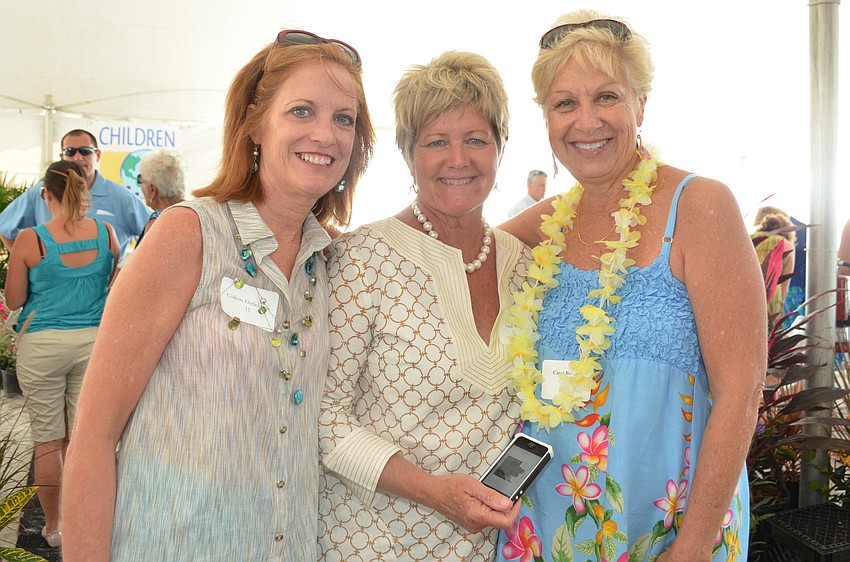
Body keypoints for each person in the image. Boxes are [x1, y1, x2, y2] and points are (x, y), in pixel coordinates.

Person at [60, 29, 374, 561]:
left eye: (344, 118)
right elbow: (92, 437)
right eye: (302, 111)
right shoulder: (189, 235)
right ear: (254, 122)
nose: (325, 133)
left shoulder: (333, 261)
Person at [494, 11, 766, 562]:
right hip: (546, 529)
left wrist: (690, 547)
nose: (586, 121)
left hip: (669, 530)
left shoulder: (700, 207)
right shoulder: (535, 231)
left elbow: (741, 390)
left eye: (607, 97)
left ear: (641, 103)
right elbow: (443, 250)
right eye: (564, 103)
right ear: (545, 117)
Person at [318, 50, 531, 561]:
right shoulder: (363, 258)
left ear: (501, 148)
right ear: (409, 154)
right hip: (372, 542)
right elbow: (323, 419)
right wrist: (435, 491)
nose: (458, 159)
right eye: (437, 142)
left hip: (491, 547)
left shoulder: (527, 267)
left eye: (476, 139)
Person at [4, 160, 119, 548]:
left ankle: (54, 527)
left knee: (48, 440)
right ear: (85, 190)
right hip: (93, 345)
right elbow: (113, 285)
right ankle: (85, 522)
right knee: (86, 438)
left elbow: (15, 299)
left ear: (46, 194)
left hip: (42, 348)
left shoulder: (31, 239)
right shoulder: (106, 232)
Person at [0, 129, 151, 260]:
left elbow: (155, 232)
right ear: (61, 157)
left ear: (97, 155)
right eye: (70, 152)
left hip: (106, 291)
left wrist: (127, 274)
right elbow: (4, 226)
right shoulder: (43, 191)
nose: (78, 157)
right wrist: (30, 264)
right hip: (51, 290)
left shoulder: (121, 197)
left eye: (85, 151)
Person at [751, 206, 797, 317]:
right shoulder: (786, 244)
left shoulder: (749, 239)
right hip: (771, 295)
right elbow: (784, 287)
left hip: (749, 290)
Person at [136, 148, 187, 245]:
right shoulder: (197, 213)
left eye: (141, 181)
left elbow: (146, 259)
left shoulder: (158, 223)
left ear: (152, 190)